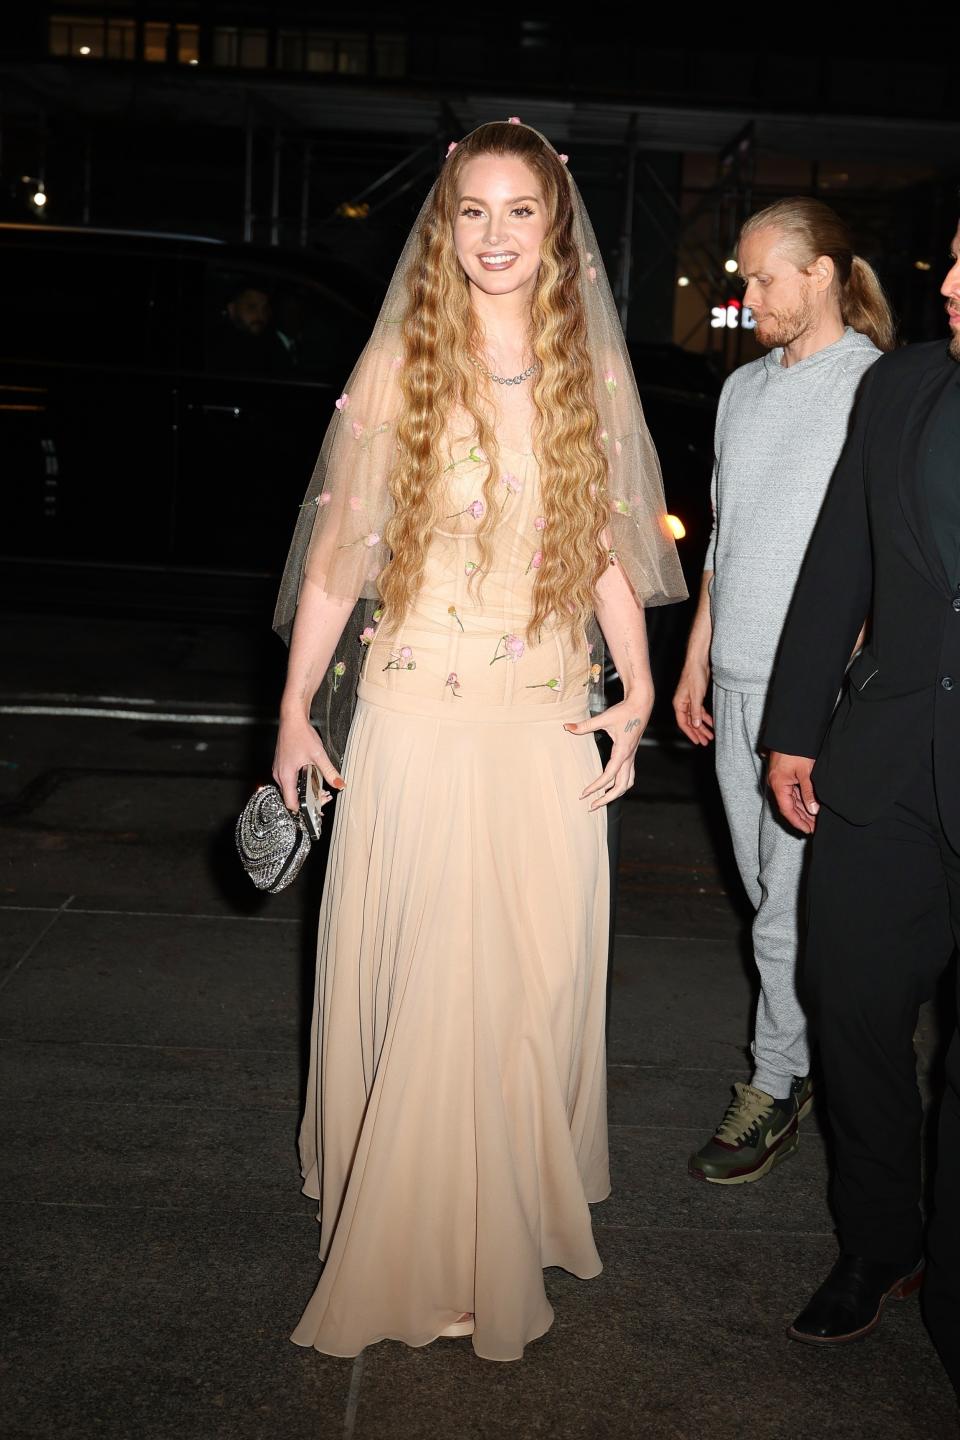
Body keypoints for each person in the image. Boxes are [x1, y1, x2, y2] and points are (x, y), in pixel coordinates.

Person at [270, 120, 686, 1362]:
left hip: (547, 714)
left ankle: (499, 1205)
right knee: (440, 982)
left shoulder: (584, 373)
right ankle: (437, 1256)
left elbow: (612, 548)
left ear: (555, 226)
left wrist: (641, 686)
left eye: (520, 212)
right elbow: (341, 560)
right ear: (442, 226)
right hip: (419, 713)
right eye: (473, 212)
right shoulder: (404, 361)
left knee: (527, 986)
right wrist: (294, 710)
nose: (496, 236)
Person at [763, 224, 960, 1392]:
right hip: (884, 754)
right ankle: (879, 1242)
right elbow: (843, 553)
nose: (946, 281)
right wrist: (796, 722)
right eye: (950, 255)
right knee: (850, 1004)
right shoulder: (906, 381)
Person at [672, 199, 894, 1185]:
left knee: (785, 908)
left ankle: (777, 1080)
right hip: (733, 683)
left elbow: (883, 558)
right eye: (745, 275)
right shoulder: (741, 393)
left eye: (764, 278)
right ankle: (817, 1049)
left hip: (819, 703)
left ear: (822, 276)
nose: (747, 294)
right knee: (768, 894)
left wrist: (835, 689)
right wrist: (694, 660)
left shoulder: (879, 389)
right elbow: (723, 538)